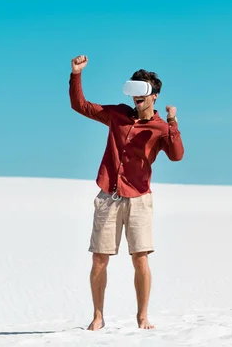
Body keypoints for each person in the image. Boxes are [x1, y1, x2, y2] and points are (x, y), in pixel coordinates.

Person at [68, 55, 184, 331]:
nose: (136, 97)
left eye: (142, 91)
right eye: (134, 91)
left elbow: (177, 155)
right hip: (109, 196)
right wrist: (76, 75)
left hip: (139, 198)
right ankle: (98, 316)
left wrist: (172, 122)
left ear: (153, 96)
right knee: (99, 258)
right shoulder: (118, 114)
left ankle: (142, 317)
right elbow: (80, 106)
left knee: (140, 257)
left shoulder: (159, 128)